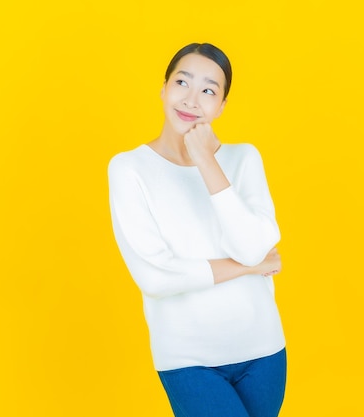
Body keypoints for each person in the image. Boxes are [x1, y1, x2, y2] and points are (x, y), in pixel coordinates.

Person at [107, 43, 287, 417]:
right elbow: (156, 277)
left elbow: (254, 246)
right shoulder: (129, 169)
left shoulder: (243, 158)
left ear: (221, 106)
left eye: (208, 90)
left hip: (264, 353)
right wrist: (248, 269)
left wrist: (206, 160)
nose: (191, 99)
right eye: (182, 82)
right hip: (188, 359)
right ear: (164, 88)